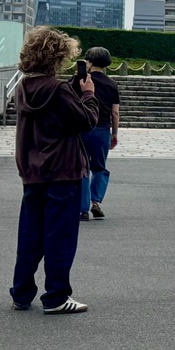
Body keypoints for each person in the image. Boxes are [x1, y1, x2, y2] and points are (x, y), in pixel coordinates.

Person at [9, 27, 99, 316]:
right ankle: (57, 295)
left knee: (30, 235)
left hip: (32, 170)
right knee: (60, 237)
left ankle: (21, 292)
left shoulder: (23, 87)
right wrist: (87, 95)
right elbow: (86, 120)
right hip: (62, 171)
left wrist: (71, 93)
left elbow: (52, 115)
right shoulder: (58, 89)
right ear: (56, 57)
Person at [79, 46, 120, 221]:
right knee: (100, 168)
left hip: (82, 129)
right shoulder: (112, 84)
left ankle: (82, 209)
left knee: (82, 169)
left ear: (89, 62)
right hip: (103, 129)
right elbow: (115, 113)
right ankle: (96, 202)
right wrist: (114, 134)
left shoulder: (81, 80)